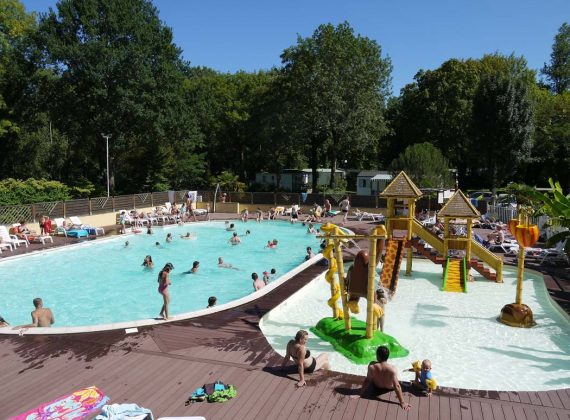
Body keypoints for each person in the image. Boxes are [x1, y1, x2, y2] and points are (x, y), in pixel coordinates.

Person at [352, 346, 411, 410]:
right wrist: (402, 402)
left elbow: (367, 380)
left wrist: (360, 394)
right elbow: (397, 386)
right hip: (389, 388)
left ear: (377, 356)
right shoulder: (392, 369)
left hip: (377, 386)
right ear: (387, 356)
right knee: (397, 380)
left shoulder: (372, 366)